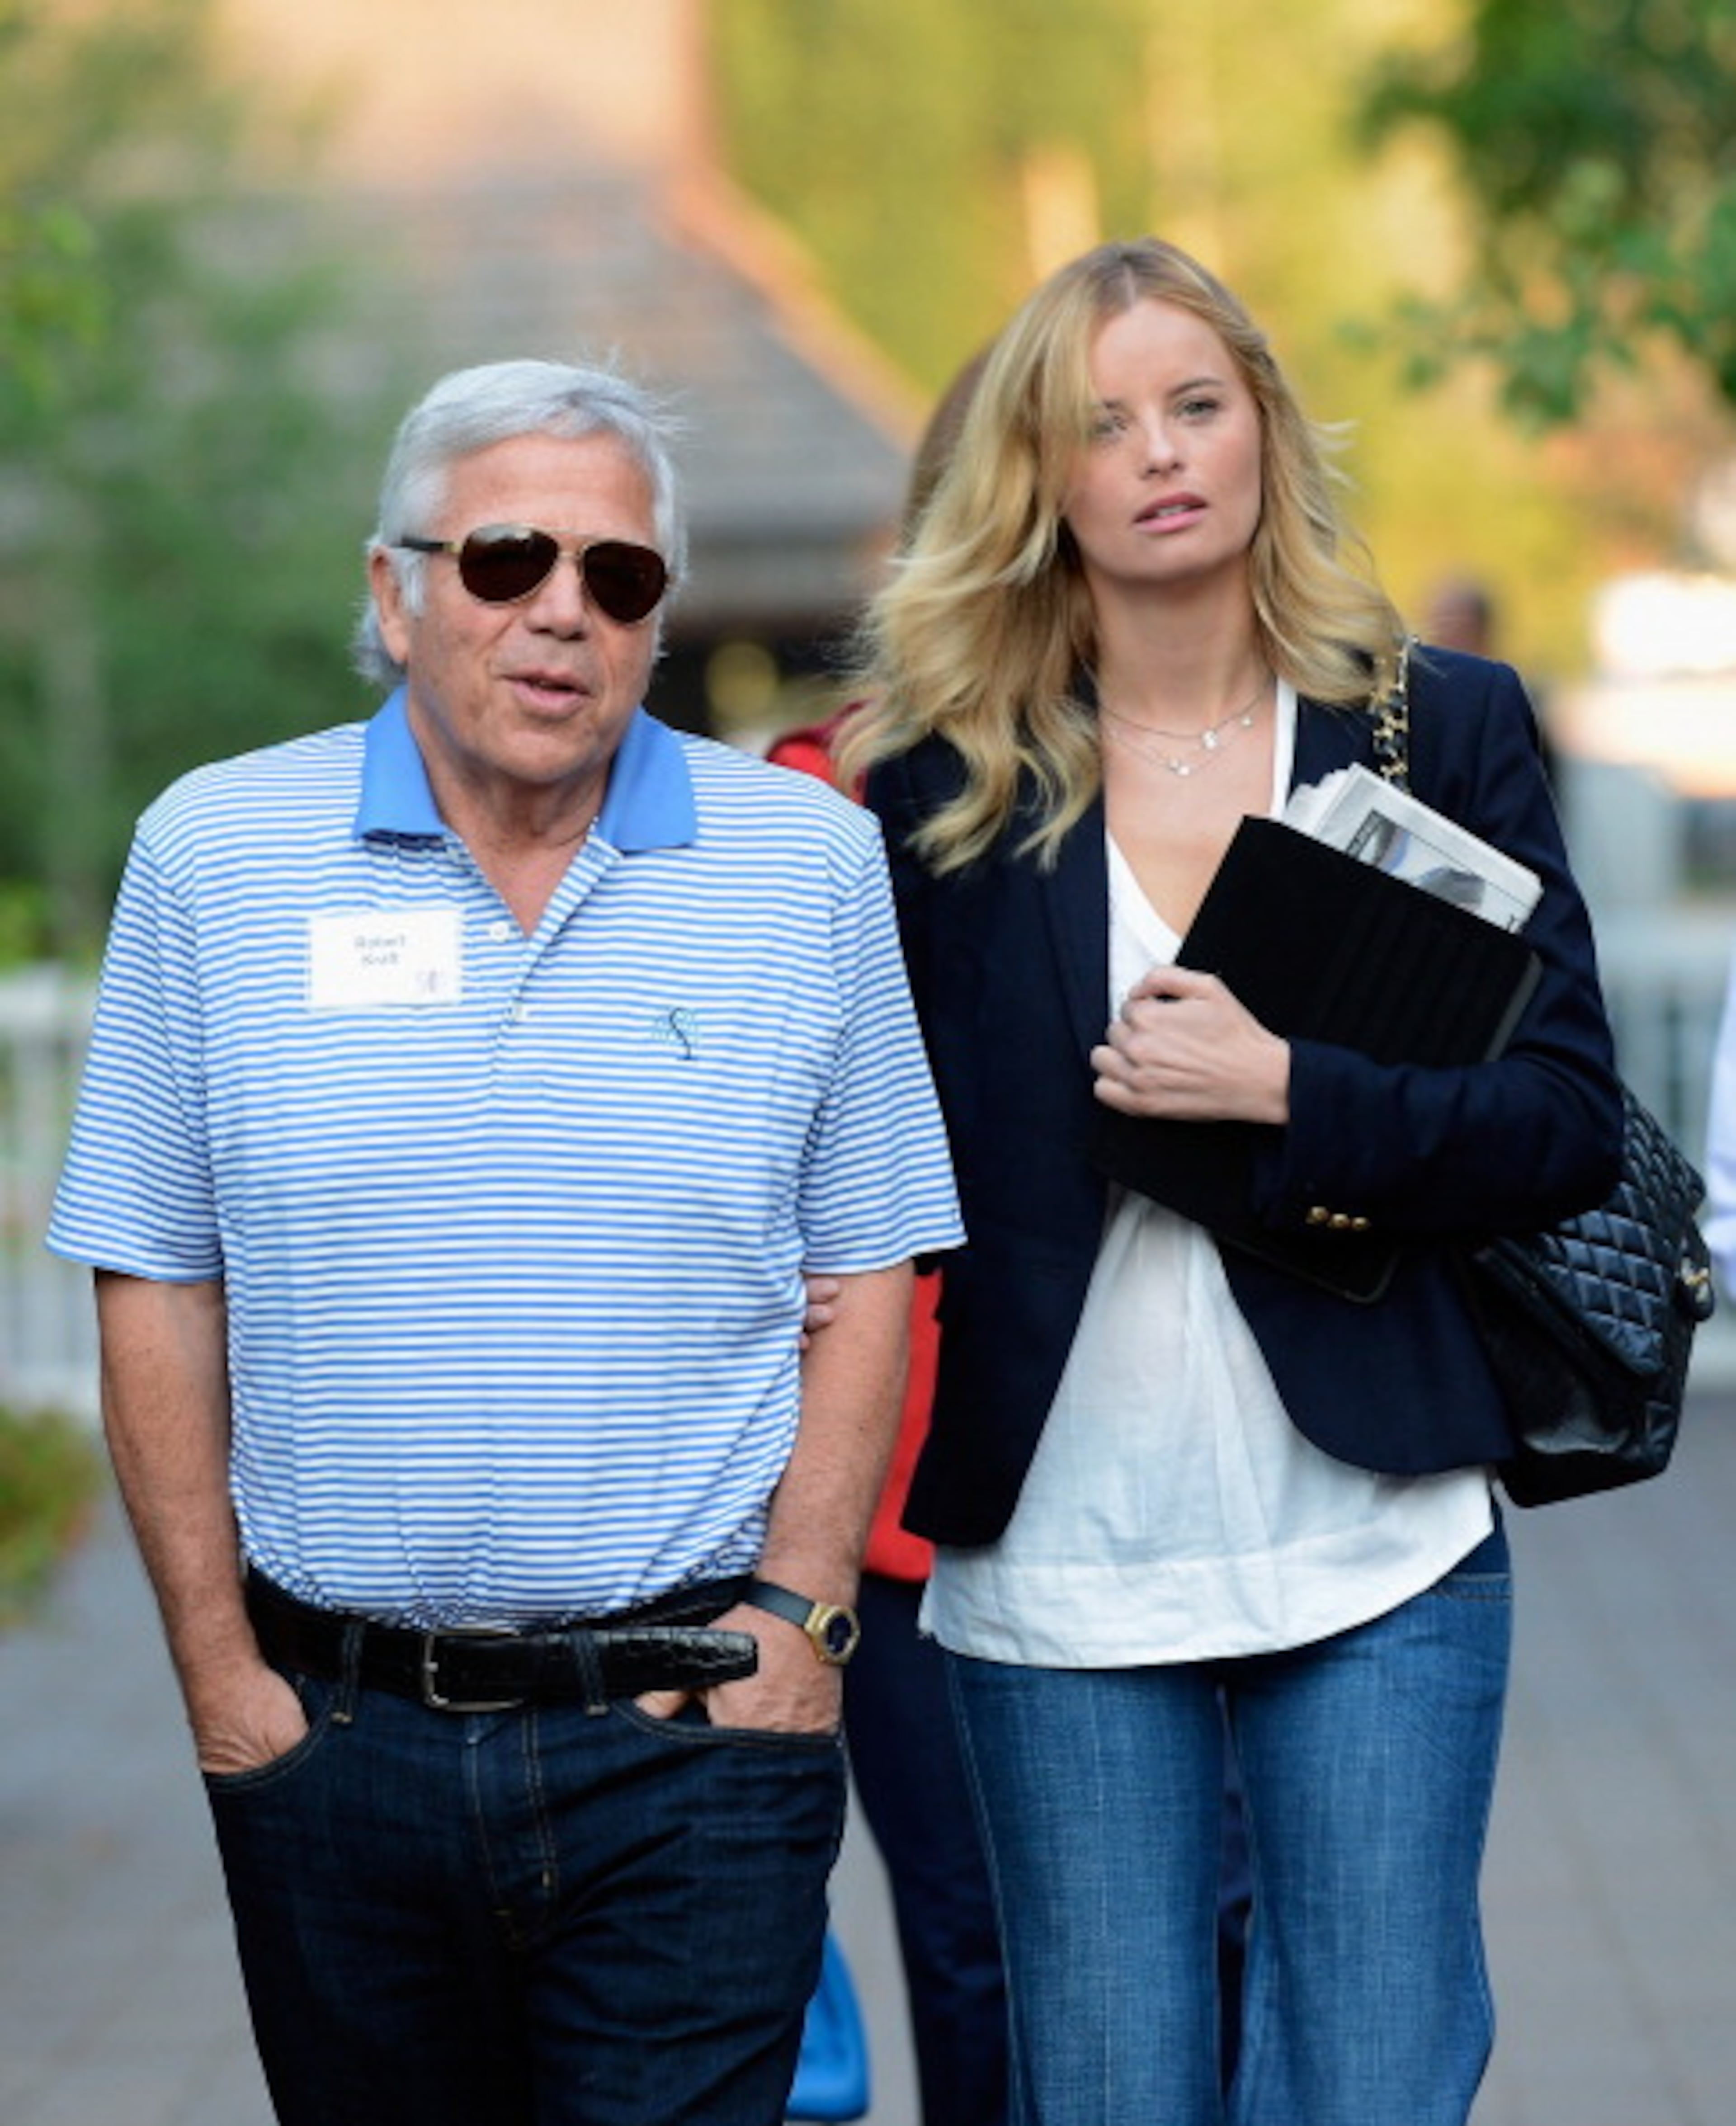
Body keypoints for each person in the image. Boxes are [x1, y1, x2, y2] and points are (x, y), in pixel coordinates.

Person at [47, 357, 962, 2126]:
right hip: (340, 1740)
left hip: (695, 1737)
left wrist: (804, 1618)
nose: (562, 612)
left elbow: (872, 1267)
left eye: (617, 577)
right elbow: (158, 1279)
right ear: (393, 596)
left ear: (658, 618)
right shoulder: (216, 858)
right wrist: (226, 1689)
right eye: (505, 561)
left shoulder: (800, 864)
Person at [838, 238, 1624, 2125]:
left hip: (1377, 1528)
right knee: (1109, 2091)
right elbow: (872, 1171)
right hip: (1061, 1555)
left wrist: (1294, 1091)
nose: (1161, 454)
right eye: (1103, 424)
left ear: (1265, 429)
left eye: (1199, 404)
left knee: (1371, 2084)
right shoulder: (946, 790)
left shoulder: (1437, 728)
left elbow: (1566, 1118)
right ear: (1043, 478)